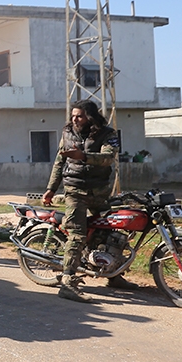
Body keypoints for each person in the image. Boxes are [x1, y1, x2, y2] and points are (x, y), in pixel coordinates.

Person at [41, 100, 133, 303]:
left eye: (79, 116)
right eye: (73, 115)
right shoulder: (67, 133)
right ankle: (67, 283)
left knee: (111, 232)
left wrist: (83, 156)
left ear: (90, 117)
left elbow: (108, 157)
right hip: (75, 190)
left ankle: (114, 275)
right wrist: (50, 189)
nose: (75, 119)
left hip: (100, 191)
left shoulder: (107, 134)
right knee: (77, 234)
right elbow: (59, 162)